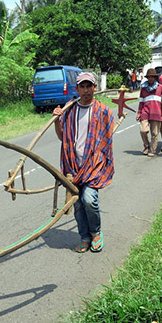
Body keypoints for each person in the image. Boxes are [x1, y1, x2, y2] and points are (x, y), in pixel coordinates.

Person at [52, 72, 114, 254]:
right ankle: (84, 237)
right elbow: (62, 137)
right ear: (77, 89)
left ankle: (95, 233)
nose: (86, 90)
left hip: (94, 165)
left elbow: (105, 142)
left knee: (89, 199)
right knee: (77, 203)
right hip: (73, 165)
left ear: (95, 88)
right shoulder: (69, 110)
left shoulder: (103, 111)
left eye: (89, 86)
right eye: (82, 87)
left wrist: (97, 160)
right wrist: (57, 120)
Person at [137, 68, 162, 157]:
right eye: (149, 77)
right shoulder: (143, 89)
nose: (151, 78)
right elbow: (141, 102)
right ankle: (146, 145)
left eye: (152, 77)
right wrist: (139, 113)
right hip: (145, 112)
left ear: (155, 78)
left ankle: (152, 150)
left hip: (156, 112)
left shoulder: (160, 87)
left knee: (154, 133)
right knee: (143, 130)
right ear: (147, 78)